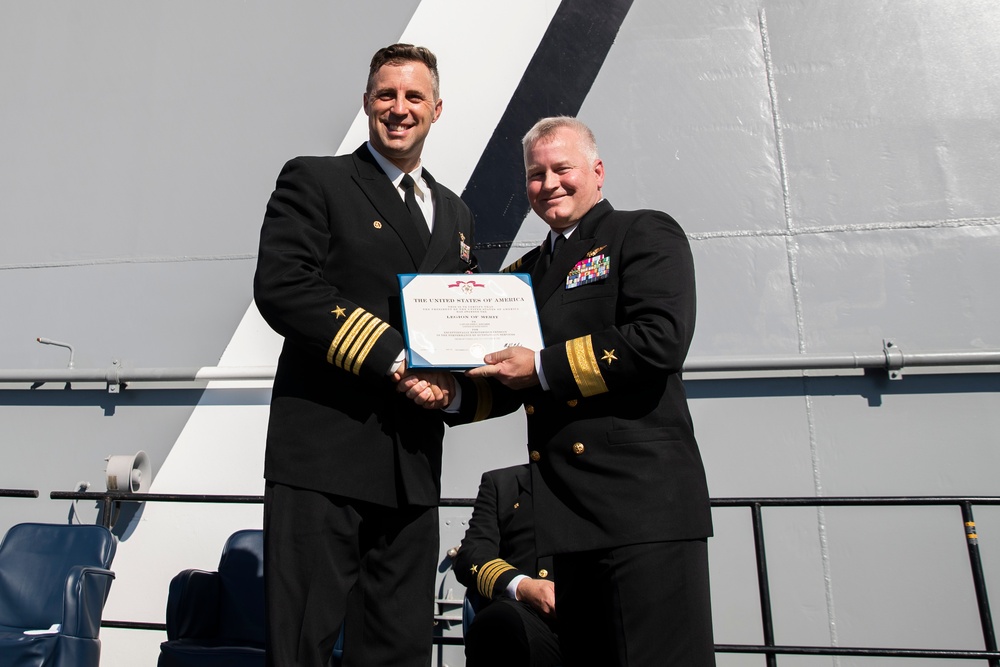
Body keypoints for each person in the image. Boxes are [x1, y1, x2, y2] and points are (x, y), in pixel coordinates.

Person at [413, 116, 715, 665]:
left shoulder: (642, 233)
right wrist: (447, 394)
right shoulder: (524, 275)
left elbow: (660, 340)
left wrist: (545, 367)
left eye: (562, 168)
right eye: (535, 174)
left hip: (642, 512)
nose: (549, 183)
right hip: (567, 521)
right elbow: (507, 375)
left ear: (596, 172)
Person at [253, 43, 475, 667]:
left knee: (397, 649)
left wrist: (454, 379)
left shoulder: (454, 210)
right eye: (385, 95)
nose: (398, 109)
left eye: (413, 97)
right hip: (326, 455)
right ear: (367, 103)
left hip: (412, 462)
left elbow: (460, 310)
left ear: (436, 108)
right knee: (301, 644)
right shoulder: (317, 179)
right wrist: (396, 358)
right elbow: (284, 286)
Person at [453, 464, 561, 667]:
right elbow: (470, 556)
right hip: (526, 620)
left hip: (598, 620)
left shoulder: (617, 481)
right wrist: (523, 587)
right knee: (497, 623)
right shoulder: (504, 484)